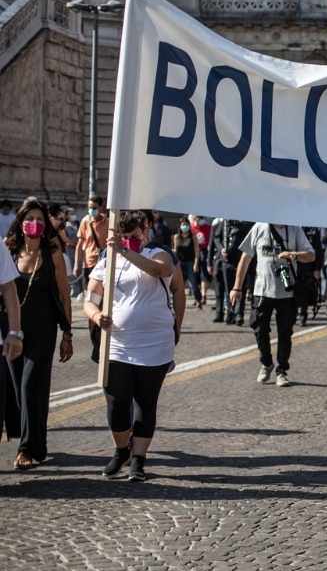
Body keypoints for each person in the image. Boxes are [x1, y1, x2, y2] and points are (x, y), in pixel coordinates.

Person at [83, 212, 178, 482]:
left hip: (153, 343)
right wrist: (95, 315)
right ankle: (121, 449)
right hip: (117, 343)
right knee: (116, 401)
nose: (129, 240)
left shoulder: (160, 252)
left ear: (145, 229)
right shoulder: (107, 258)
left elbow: (160, 270)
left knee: (146, 402)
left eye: (134, 235)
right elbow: (91, 297)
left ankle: (139, 459)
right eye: (124, 236)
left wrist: (124, 251)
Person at [2, 199, 72, 470]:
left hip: (43, 330)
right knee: (19, 390)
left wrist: (67, 333)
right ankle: (37, 443)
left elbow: (64, 294)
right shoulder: (9, 251)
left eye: (41, 220)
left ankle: (26, 449)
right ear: (21, 222)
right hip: (11, 329)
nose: (36, 224)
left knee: (31, 386)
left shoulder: (53, 252)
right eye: (31, 218)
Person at [229, 222, 314, 387]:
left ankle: (282, 371)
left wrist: (294, 254)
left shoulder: (295, 229)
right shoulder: (259, 228)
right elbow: (245, 259)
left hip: (287, 292)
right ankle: (266, 363)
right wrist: (236, 287)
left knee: (285, 332)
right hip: (262, 290)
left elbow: (311, 255)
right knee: (259, 328)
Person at [75, 195, 108, 290]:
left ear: (101, 207)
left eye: (94, 208)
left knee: (100, 292)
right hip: (89, 262)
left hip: (103, 263)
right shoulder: (85, 221)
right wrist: (77, 265)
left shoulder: (108, 222)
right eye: (89, 208)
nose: (91, 210)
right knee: (89, 292)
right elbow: (79, 244)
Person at [173, 219, 200, 307]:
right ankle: (179, 301)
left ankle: (198, 300)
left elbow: (197, 251)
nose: (184, 226)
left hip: (190, 263)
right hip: (180, 263)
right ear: (180, 226)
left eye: (186, 224)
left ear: (189, 226)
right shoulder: (176, 237)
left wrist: (196, 263)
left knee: (194, 284)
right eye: (183, 224)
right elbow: (175, 251)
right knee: (179, 285)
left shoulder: (193, 237)